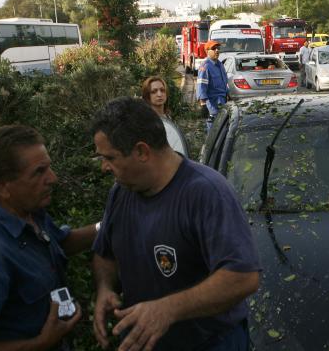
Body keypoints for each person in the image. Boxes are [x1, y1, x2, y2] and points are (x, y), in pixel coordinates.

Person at [90, 98, 261, 351]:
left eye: (110, 158)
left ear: (141, 151)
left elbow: (243, 277)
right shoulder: (121, 192)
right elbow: (105, 253)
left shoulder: (206, 193)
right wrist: (105, 288)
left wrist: (167, 309)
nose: (104, 167)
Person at [0, 125, 98, 350]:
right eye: (39, 172)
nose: (53, 178)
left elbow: (58, 244)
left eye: (49, 168)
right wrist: (39, 343)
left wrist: (108, 226)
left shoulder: (25, 210)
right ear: (1, 186)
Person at [142, 76, 189, 156]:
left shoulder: (168, 118)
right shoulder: (146, 122)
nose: (159, 94)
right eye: (154, 91)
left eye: (162, 90)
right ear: (147, 96)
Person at [197, 40, 230, 132]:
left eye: (218, 48)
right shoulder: (205, 66)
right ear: (207, 51)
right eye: (214, 48)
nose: (217, 50)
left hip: (222, 103)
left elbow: (224, 82)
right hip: (212, 106)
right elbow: (201, 86)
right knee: (213, 133)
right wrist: (203, 105)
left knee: (223, 131)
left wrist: (228, 94)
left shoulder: (220, 65)